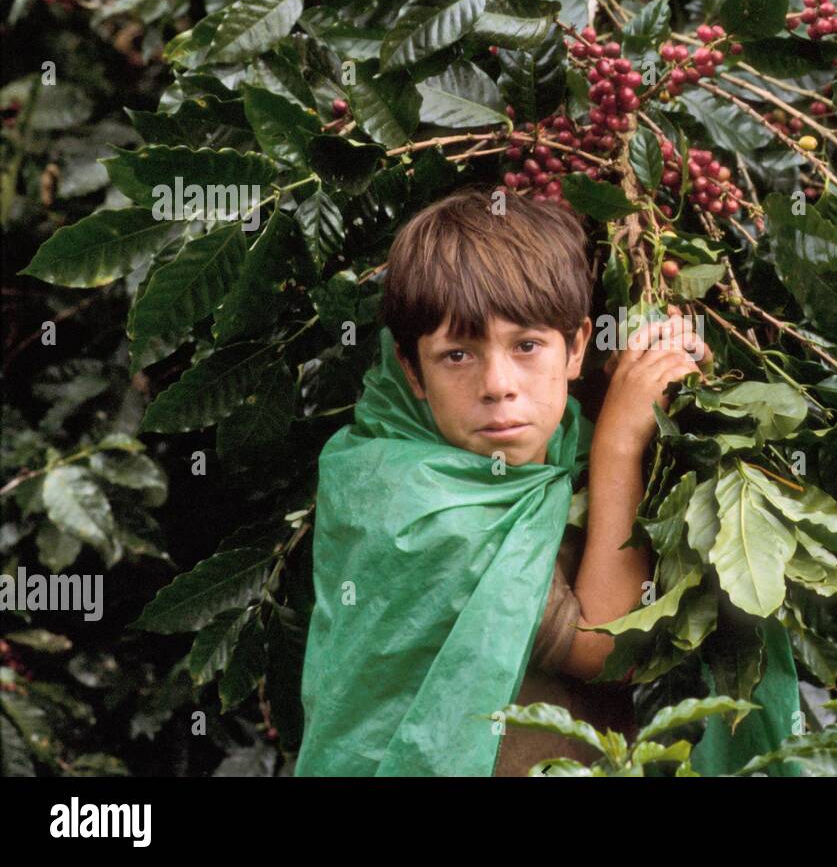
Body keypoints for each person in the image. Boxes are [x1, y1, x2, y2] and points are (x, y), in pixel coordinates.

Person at [294, 186, 715, 776]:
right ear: (412, 372)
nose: (498, 384)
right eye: (457, 356)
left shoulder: (559, 432)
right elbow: (606, 649)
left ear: (576, 349)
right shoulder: (418, 508)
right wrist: (621, 441)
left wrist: (645, 376)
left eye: (527, 346)